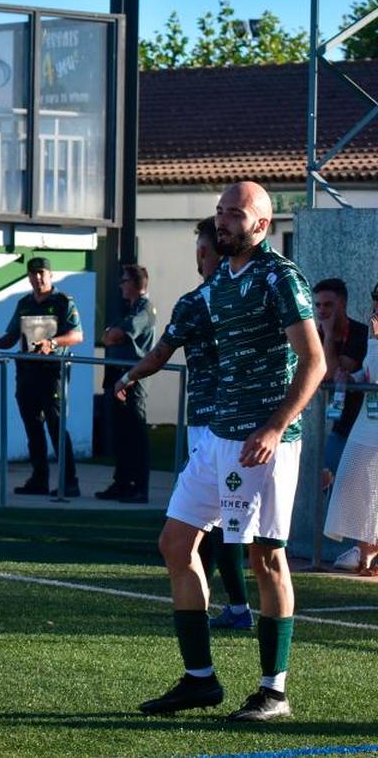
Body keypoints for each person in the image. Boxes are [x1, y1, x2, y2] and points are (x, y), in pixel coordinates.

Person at [139, 181, 323, 722]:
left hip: (262, 444)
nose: (222, 222)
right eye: (220, 212)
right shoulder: (219, 280)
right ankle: (200, 680)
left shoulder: (280, 278)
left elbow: (314, 361)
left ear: (262, 225)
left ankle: (273, 691)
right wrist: (137, 369)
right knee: (176, 544)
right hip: (217, 437)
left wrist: (273, 427)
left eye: (235, 214)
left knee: (265, 558)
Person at [114, 217, 252, 628]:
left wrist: (127, 375)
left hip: (210, 421)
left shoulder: (199, 299)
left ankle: (234, 608)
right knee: (226, 519)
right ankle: (221, 602)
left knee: (208, 519)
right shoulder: (246, 293)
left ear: (203, 253)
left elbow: (159, 355)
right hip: (242, 418)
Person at [0, 257, 83, 496]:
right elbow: (12, 336)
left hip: (52, 372)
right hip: (26, 372)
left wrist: (52, 342)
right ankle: (39, 480)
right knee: (33, 427)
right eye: (33, 274)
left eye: (42, 274)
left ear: (50, 275)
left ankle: (69, 482)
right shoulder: (24, 303)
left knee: (57, 426)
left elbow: (77, 335)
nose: (38, 279)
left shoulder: (62, 302)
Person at [324, 285, 378, 576]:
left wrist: (376, 341)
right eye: (374, 306)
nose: (375, 313)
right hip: (367, 422)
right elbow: (368, 372)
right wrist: (350, 376)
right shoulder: (374, 337)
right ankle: (363, 547)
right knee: (355, 482)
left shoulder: (375, 337)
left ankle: (367, 552)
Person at [98, 264, 157, 503]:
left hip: (133, 379)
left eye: (124, 280)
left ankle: (139, 487)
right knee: (120, 433)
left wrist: (112, 333)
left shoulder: (144, 309)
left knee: (135, 433)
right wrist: (111, 333)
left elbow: (115, 335)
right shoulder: (128, 308)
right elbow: (106, 335)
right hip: (116, 376)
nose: (121, 285)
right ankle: (121, 482)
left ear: (135, 283)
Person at [312, 278, 368, 486]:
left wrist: (327, 337)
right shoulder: (315, 335)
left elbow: (332, 372)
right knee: (329, 484)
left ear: (342, 305)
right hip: (336, 425)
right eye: (317, 305)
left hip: (361, 425)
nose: (321, 310)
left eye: (328, 304)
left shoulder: (360, 332)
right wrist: (325, 335)